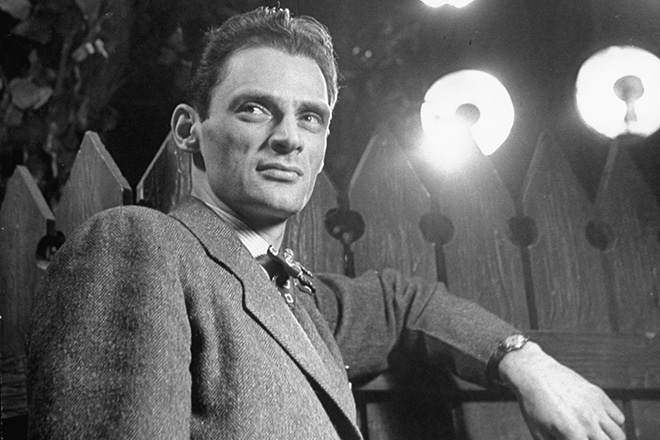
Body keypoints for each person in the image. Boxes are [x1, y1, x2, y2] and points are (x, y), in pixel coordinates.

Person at [27, 6, 626, 440]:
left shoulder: (305, 307)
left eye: (310, 117)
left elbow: (406, 304)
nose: (288, 137)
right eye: (255, 108)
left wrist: (526, 362)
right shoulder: (138, 246)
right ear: (190, 130)